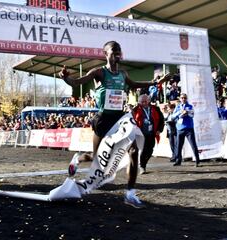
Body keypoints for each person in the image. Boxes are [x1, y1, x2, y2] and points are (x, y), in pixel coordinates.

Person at [59, 40, 171, 208]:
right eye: (113, 51)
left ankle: (130, 194)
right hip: (103, 119)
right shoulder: (99, 72)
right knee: (98, 159)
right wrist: (66, 78)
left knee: (133, 150)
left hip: (119, 118)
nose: (117, 53)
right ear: (106, 54)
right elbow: (78, 82)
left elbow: (135, 85)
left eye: (119, 51)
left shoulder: (123, 74)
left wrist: (156, 83)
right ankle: (77, 159)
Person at [132, 94, 164, 174]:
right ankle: (142, 166)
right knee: (143, 150)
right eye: (142, 102)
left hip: (152, 133)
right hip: (141, 133)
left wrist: (159, 130)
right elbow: (132, 121)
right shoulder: (135, 110)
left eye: (146, 101)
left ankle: (143, 163)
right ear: (139, 102)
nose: (144, 103)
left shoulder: (155, 108)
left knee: (150, 150)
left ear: (149, 101)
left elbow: (161, 120)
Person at [171, 93, 200, 167]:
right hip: (180, 128)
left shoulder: (190, 106)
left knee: (193, 144)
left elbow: (192, 115)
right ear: (180, 99)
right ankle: (178, 160)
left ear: (186, 99)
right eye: (182, 98)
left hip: (189, 128)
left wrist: (187, 113)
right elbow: (173, 117)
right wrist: (179, 113)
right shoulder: (178, 107)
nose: (183, 99)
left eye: (185, 98)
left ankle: (197, 160)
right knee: (178, 146)